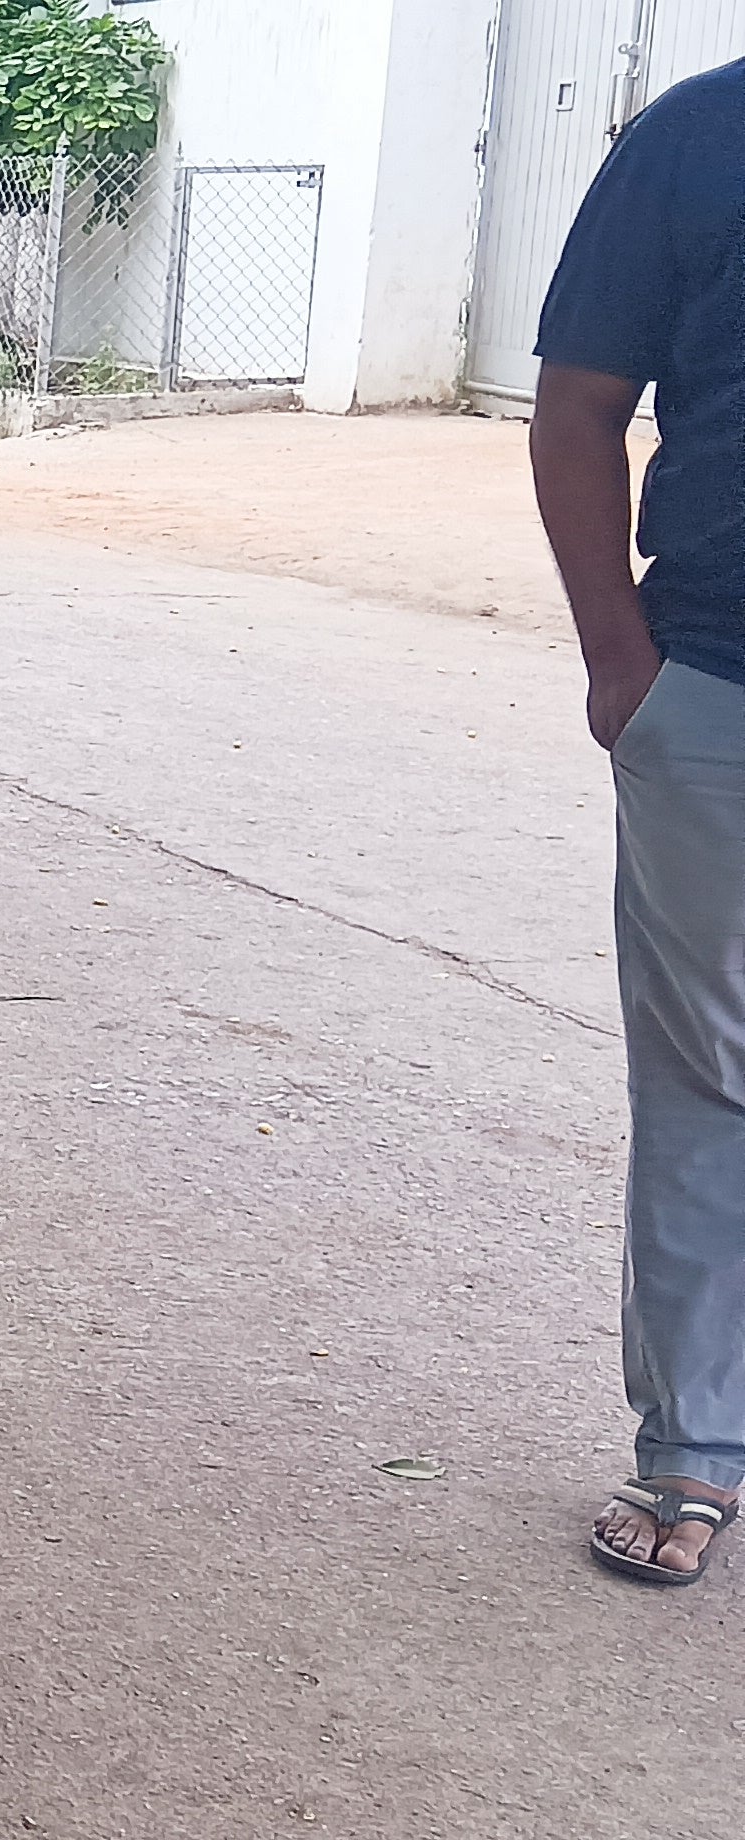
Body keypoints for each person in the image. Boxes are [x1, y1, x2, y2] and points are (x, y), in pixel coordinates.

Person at [531, 55, 745, 1586]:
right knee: (708, 1078)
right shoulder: (695, 137)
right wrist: (623, 664)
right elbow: (578, 401)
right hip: (722, 686)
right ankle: (698, 1447)